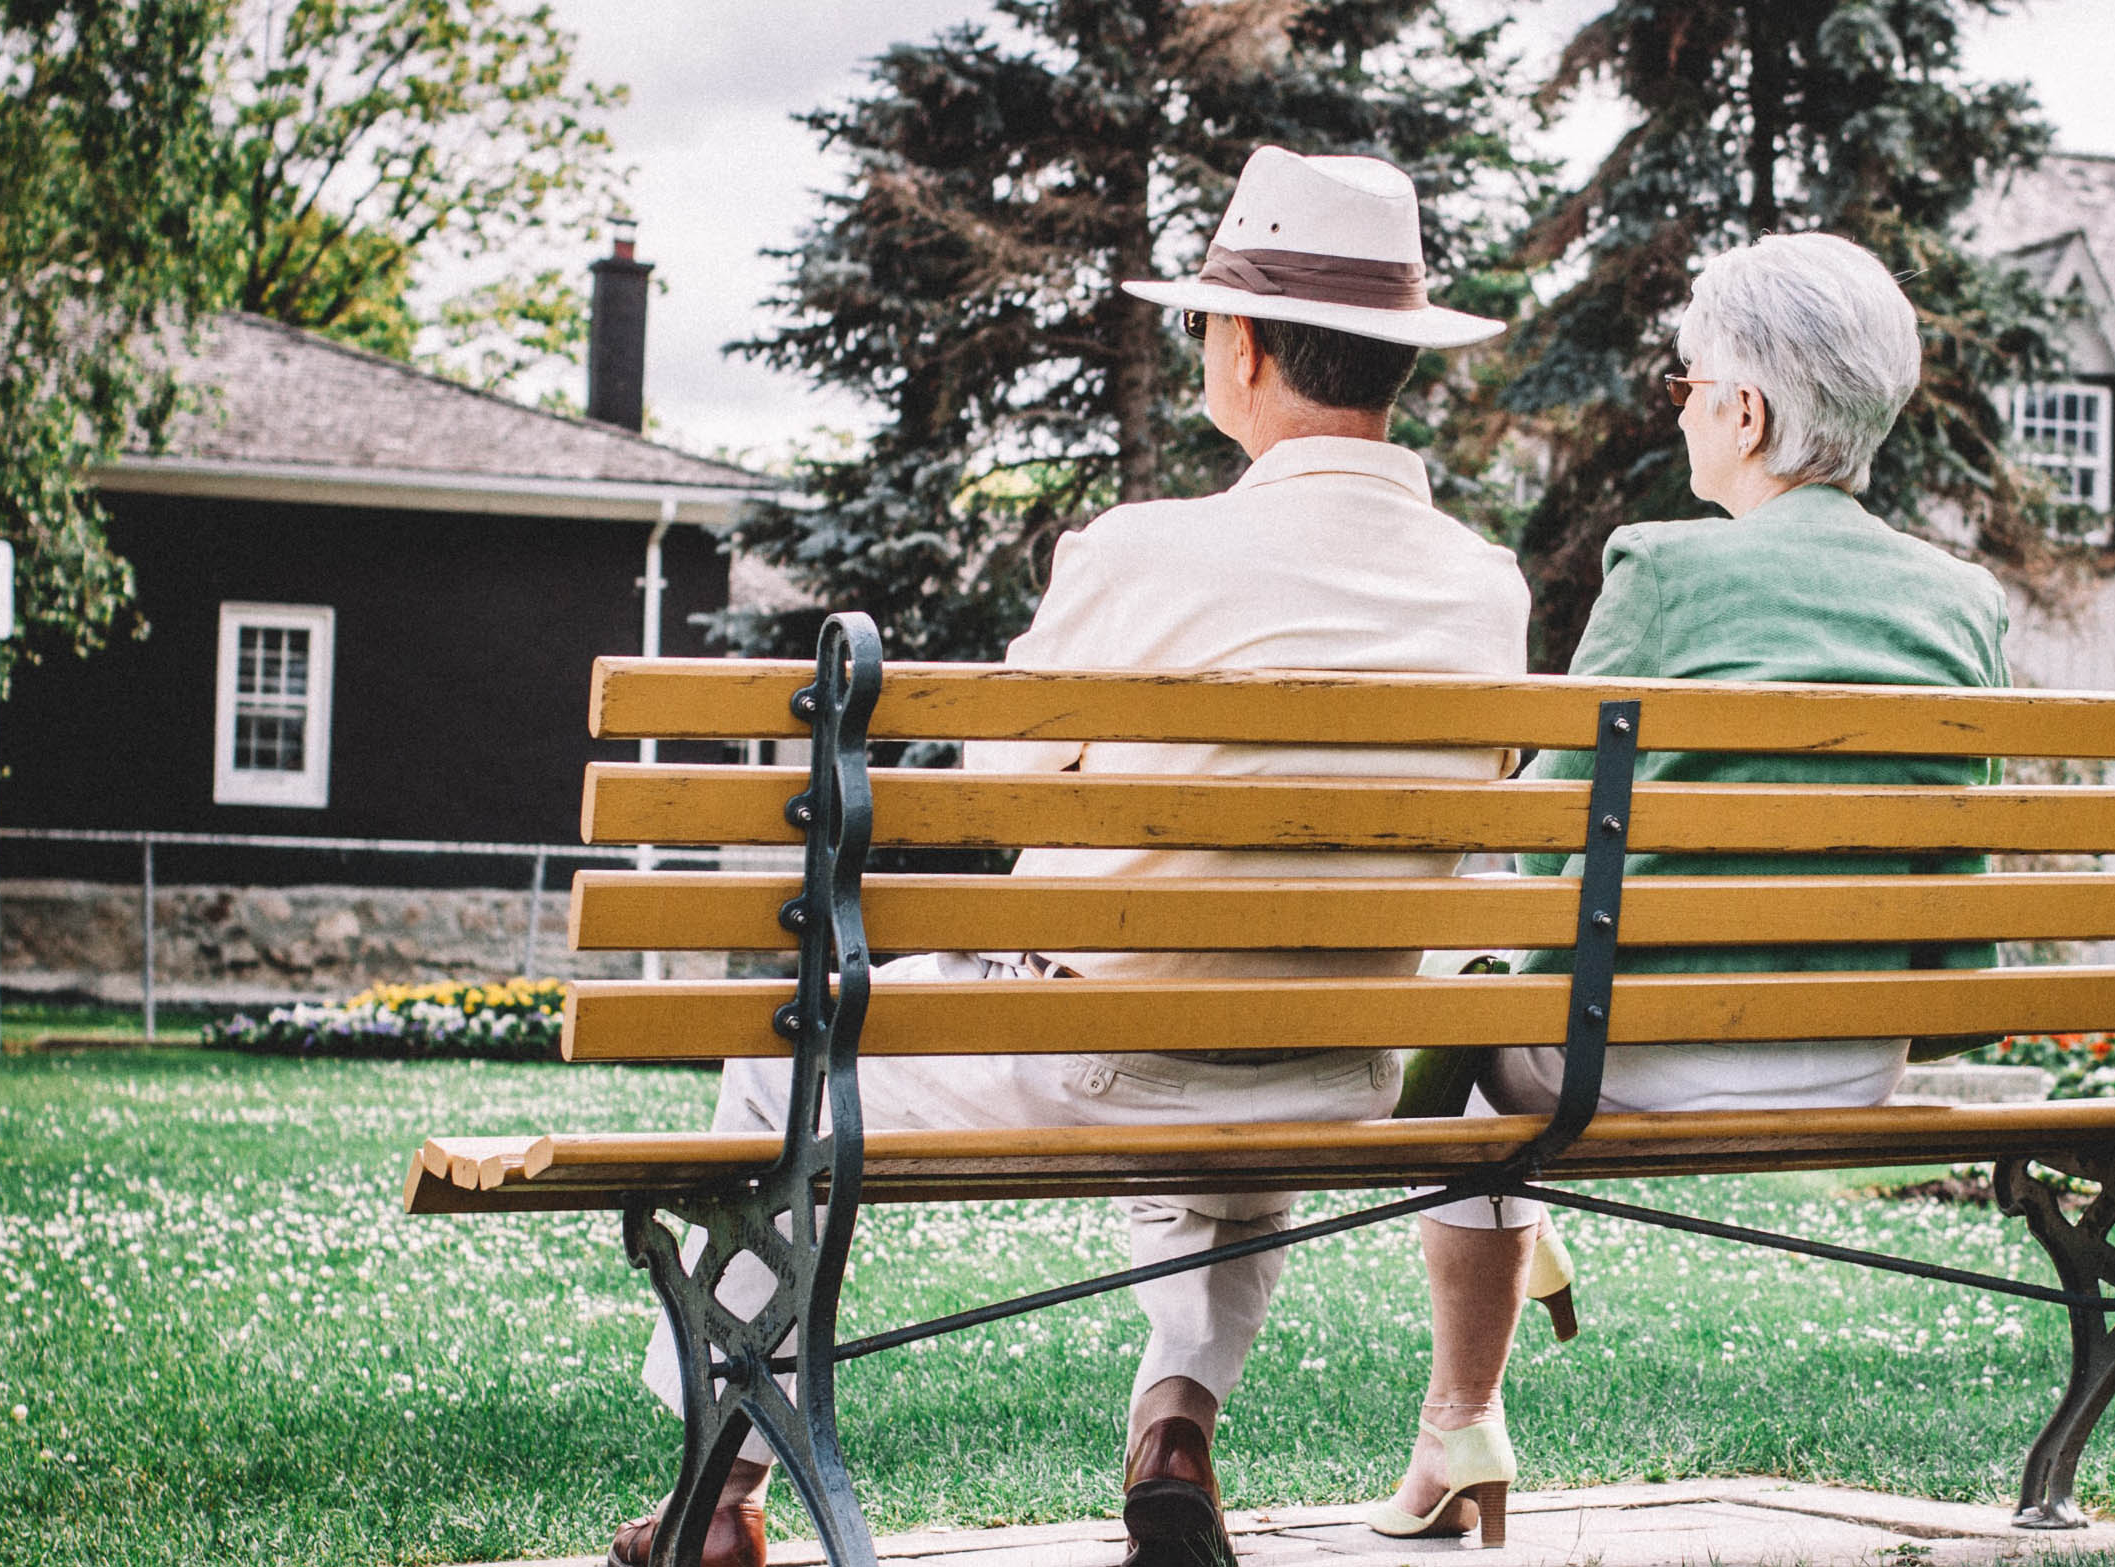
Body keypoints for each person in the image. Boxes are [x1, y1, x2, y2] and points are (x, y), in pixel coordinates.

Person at [610, 145, 1529, 1567]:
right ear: (1398, 361)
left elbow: (1000, 789)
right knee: (1244, 1059)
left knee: (775, 1062)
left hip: (1103, 1057)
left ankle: (720, 1494)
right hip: (1337, 1073)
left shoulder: (1143, 550)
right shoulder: (1487, 587)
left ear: (1239, 346)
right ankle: (1176, 1424)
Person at [1362, 231, 2010, 1546]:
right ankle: (1505, 1247)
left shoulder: (1663, 571)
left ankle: (1463, 1400)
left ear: (1745, 410)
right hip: (1846, 1069)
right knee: (1492, 1019)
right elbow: (1961, 905)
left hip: (1617, 1065)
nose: (1683, 406)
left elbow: (1545, 857)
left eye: (1687, 382)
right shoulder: (1961, 603)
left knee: (1469, 1032)